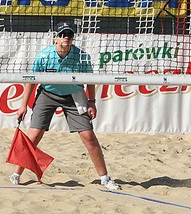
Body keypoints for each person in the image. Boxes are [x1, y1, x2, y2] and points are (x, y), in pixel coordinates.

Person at [10, 22, 121, 191]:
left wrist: (91, 102)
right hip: (47, 93)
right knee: (34, 136)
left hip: (73, 95)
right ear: (55, 38)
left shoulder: (82, 57)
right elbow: (31, 80)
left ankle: (105, 178)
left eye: (69, 35)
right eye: (62, 35)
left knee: (88, 136)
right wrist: (23, 105)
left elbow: (90, 81)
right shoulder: (44, 56)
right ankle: (16, 173)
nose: (66, 38)